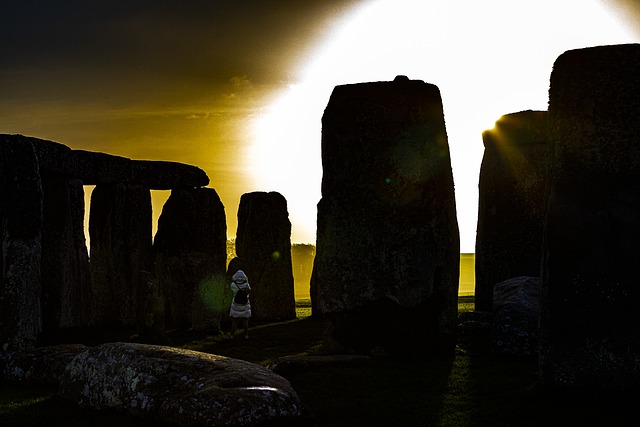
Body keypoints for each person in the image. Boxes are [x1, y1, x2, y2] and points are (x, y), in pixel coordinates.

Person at [229, 269, 251, 339]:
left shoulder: (233, 285)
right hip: (245, 304)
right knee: (245, 321)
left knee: (234, 322)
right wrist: (247, 281)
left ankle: (232, 335)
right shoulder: (246, 285)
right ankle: (246, 335)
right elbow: (249, 291)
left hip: (236, 304)